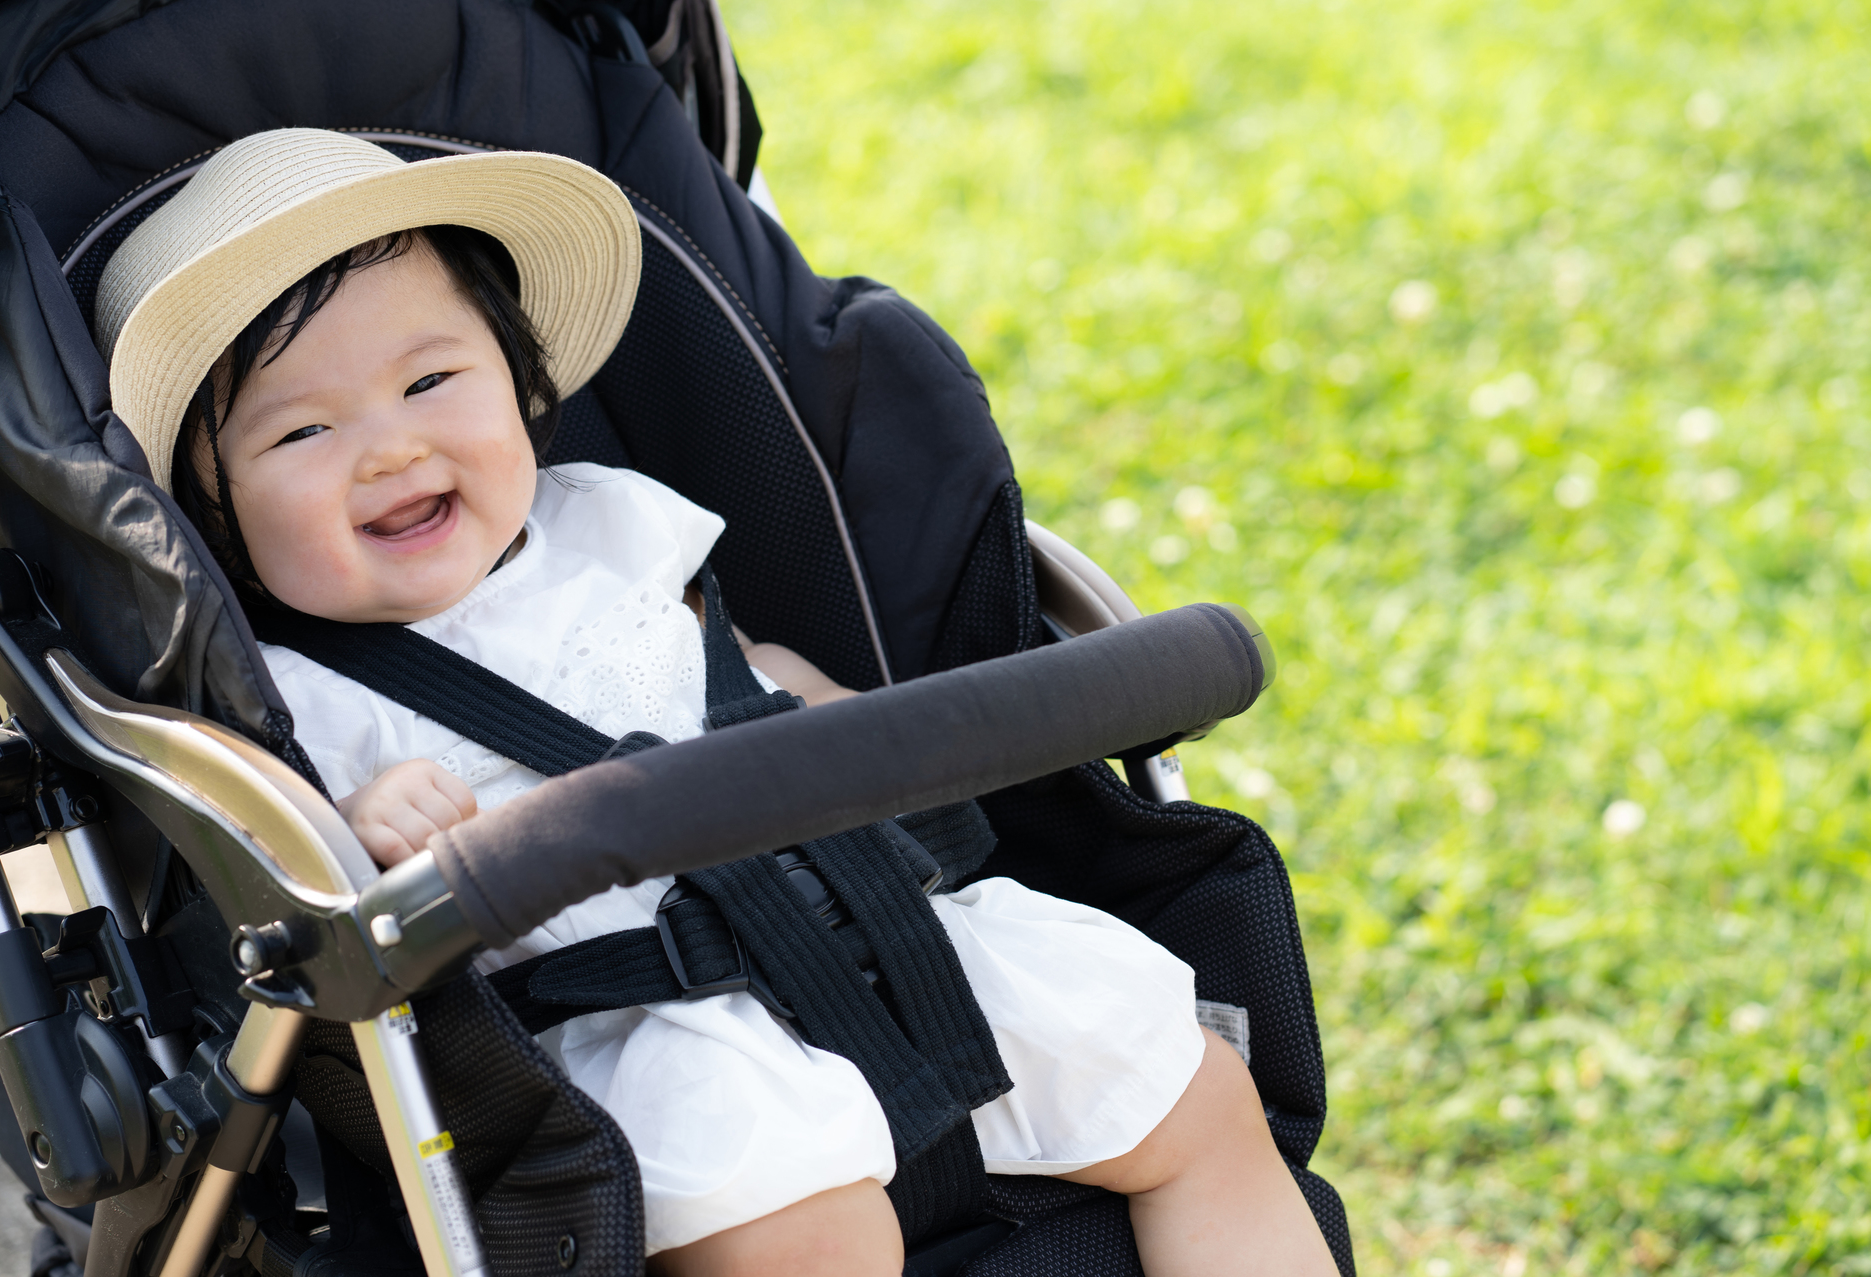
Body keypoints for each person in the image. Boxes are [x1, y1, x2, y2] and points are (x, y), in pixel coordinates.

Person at [93, 128, 1337, 1277]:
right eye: (301, 431)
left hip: (886, 930)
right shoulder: (294, 690)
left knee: (1195, 1096)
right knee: (808, 1232)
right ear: (215, 512)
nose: (388, 447)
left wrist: (828, 715)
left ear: (526, 386)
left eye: (430, 382)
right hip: (648, 1023)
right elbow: (277, 888)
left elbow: (734, 662)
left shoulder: (612, 524)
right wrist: (355, 826)